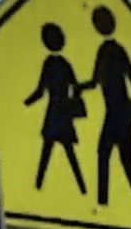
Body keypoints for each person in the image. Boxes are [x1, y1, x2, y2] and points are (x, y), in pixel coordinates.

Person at [79, 5, 131, 211]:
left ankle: (104, 203)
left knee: (105, 155)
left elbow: (95, 82)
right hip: (121, 113)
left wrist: (80, 87)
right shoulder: (116, 50)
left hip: (115, 113)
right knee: (122, 161)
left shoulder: (106, 51)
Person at [24, 23, 87, 195]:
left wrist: (26, 103)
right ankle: (40, 188)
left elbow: (40, 91)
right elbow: (73, 86)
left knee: (57, 152)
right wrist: (25, 104)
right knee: (55, 152)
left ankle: (80, 189)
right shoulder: (61, 63)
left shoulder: (53, 63)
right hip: (60, 112)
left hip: (56, 113)